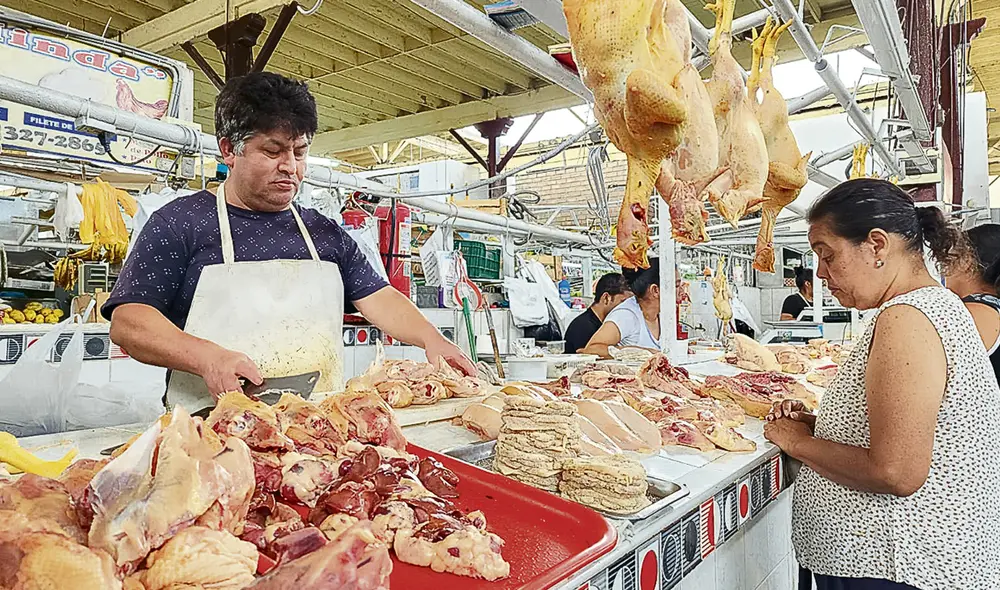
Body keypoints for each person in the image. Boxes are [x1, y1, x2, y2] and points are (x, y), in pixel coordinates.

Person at [103, 72, 474, 411]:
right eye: (273, 150)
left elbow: (379, 297)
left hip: (316, 427)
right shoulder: (181, 222)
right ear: (230, 150)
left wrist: (431, 338)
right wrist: (206, 357)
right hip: (208, 428)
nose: (290, 167)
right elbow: (129, 322)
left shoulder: (324, 233)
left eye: (300, 151)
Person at [764, 178, 1000, 590]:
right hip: (901, 563)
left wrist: (795, 441)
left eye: (827, 255)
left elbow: (897, 471)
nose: (820, 274)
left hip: (897, 569)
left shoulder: (907, 318)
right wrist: (822, 425)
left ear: (876, 245)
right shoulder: (934, 307)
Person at [943, 223, 1000, 383]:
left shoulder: (975, 314)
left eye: (951, 256)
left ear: (967, 260)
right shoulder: (991, 308)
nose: (944, 265)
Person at [581, 259, 660, 358]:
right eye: (677, 285)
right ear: (655, 290)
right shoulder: (626, 315)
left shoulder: (664, 315)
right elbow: (592, 349)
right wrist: (638, 352)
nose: (682, 291)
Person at [563, 273, 632, 353]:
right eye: (623, 301)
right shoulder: (583, 327)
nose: (627, 307)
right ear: (606, 298)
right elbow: (584, 354)